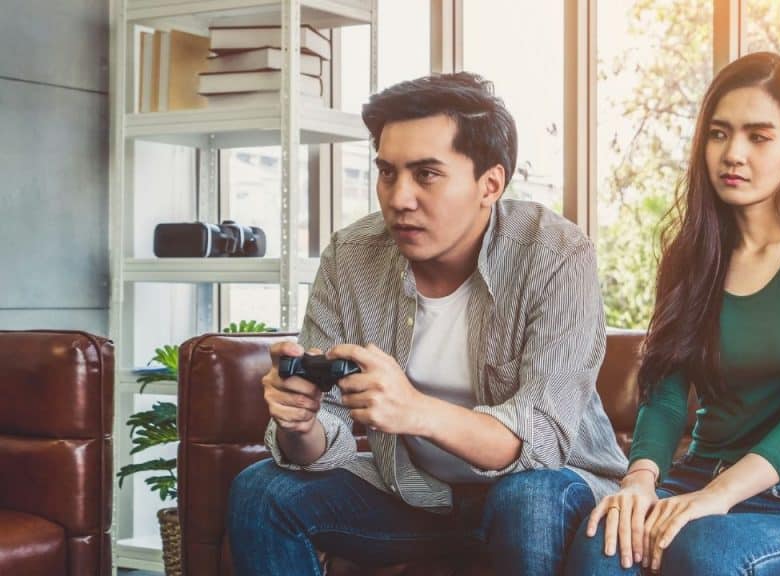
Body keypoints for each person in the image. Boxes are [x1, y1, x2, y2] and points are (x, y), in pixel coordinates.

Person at [226, 72, 627, 576]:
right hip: (417, 495)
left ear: (490, 184)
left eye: (427, 174)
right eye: (388, 173)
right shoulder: (353, 256)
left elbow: (541, 442)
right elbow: (322, 435)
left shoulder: (555, 252)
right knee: (262, 490)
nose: (399, 198)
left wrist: (415, 411)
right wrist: (299, 424)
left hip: (552, 490)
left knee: (529, 498)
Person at [567, 52, 780, 575]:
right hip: (692, 479)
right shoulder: (691, 256)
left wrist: (718, 496)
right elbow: (665, 393)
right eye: (719, 134)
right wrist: (641, 481)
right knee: (601, 541)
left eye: (759, 137)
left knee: (703, 552)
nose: (733, 153)